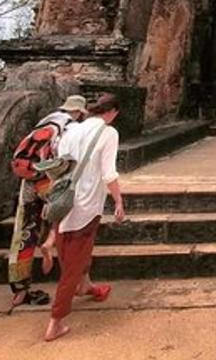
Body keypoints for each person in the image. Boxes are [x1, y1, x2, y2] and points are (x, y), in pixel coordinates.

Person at [43, 94, 125, 343]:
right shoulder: (108, 133)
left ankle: (85, 285)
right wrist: (119, 201)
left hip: (63, 202)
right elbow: (108, 174)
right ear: (112, 112)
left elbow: (59, 166)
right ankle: (55, 322)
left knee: (72, 252)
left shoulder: (72, 130)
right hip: (87, 205)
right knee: (73, 263)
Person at [6, 94, 87, 307]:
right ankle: (54, 247)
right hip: (52, 180)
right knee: (66, 223)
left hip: (29, 180)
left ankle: (20, 289)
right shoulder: (70, 127)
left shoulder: (46, 122)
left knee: (24, 231)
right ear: (79, 112)